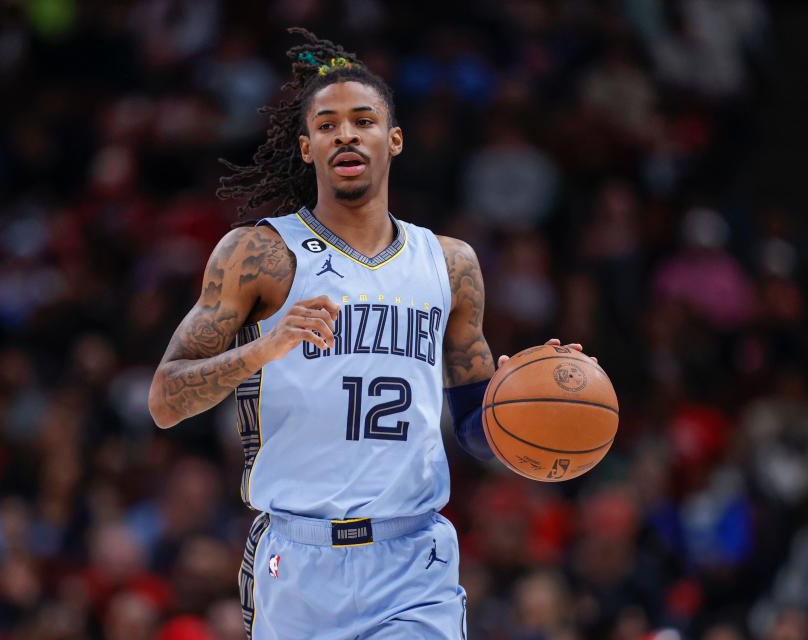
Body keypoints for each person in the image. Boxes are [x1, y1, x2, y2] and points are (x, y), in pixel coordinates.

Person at [148, 28, 588, 639]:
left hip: (414, 559)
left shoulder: (450, 263)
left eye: (364, 120)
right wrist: (263, 348)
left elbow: (474, 428)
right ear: (307, 148)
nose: (346, 134)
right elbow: (166, 400)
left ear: (394, 139)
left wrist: (534, 394)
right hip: (296, 561)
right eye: (327, 125)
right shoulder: (260, 254)